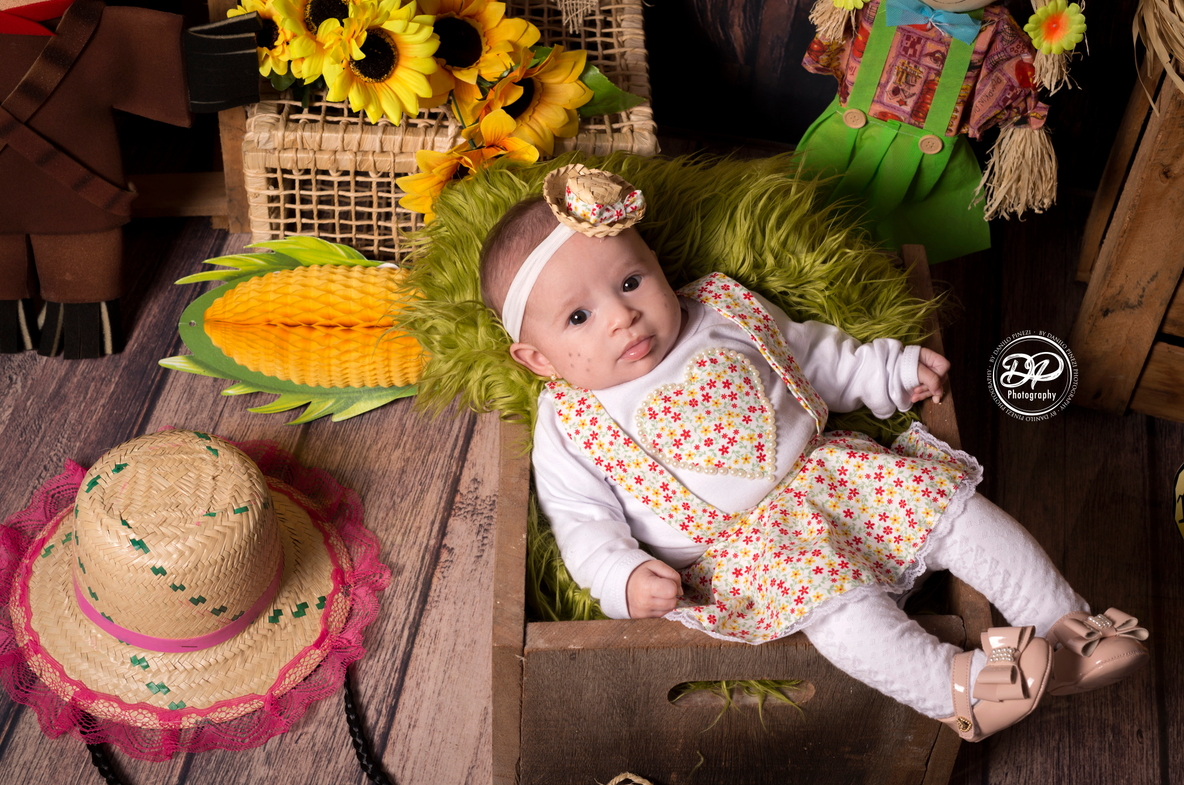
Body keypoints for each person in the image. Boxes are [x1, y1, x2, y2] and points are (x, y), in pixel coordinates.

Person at [480, 165, 1149, 741]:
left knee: (958, 513)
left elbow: (813, 357)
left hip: (835, 469)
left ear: (657, 264)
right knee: (843, 614)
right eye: (578, 318)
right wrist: (623, 578)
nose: (622, 315)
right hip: (749, 553)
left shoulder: (720, 308)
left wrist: (889, 374)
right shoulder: (570, 421)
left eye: (631, 281)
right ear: (537, 359)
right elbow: (580, 523)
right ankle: (960, 689)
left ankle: (1066, 624)